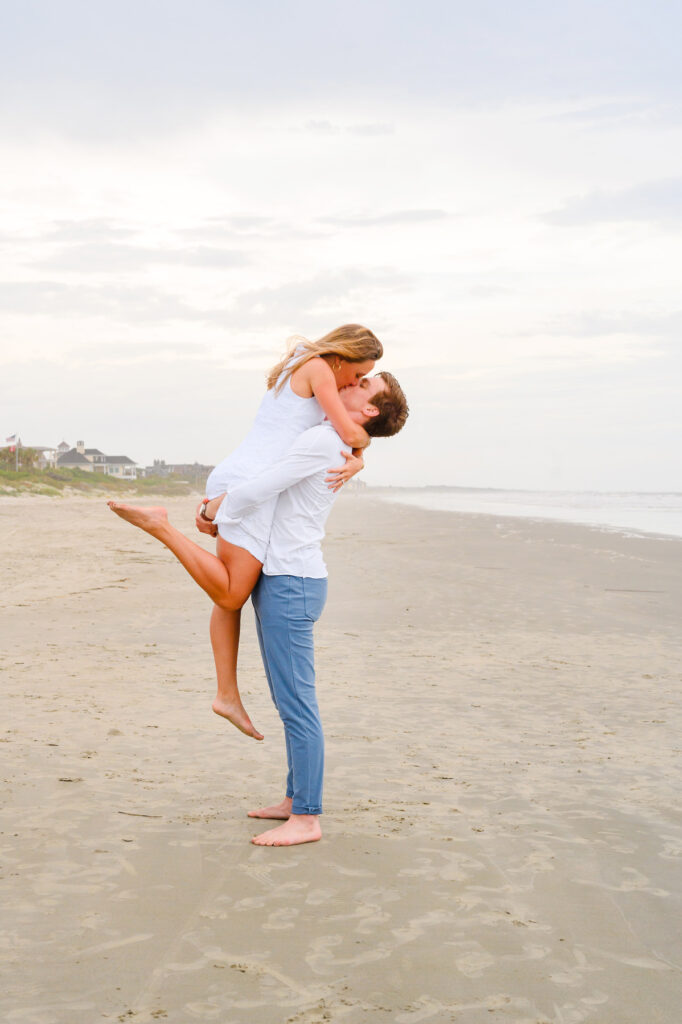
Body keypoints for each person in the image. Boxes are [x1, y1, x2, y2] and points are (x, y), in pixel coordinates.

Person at [108, 325, 382, 741]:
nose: (353, 383)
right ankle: (160, 526)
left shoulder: (298, 362)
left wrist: (359, 452)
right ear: (344, 358)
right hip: (253, 488)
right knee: (232, 592)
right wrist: (361, 455)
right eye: (359, 375)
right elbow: (352, 432)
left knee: (228, 591)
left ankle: (226, 694)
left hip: (237, 475)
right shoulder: (321, 371)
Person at [195, 372, 409, 846]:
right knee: (287, 698)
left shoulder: (321, 441)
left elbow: (260, 488)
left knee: (297, 704)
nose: (351, 381)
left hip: (292, 583)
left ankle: (308, 817)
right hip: (288, 578)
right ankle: (295, 798)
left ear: (370, 409)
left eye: (365, 382)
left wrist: (212, 510)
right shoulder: (331, 439)